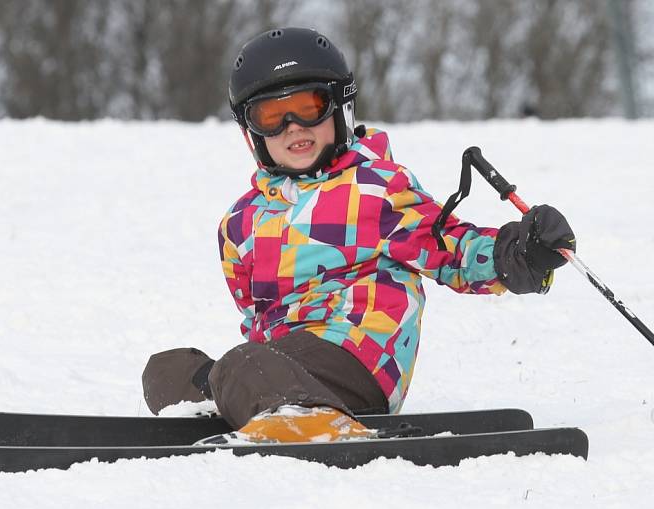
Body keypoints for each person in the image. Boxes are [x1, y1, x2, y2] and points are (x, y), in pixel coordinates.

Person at [141, 27, 575, 444]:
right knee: (167, 369)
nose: (293, 126)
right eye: (272, 116)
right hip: (280, 362)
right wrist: (245, 375)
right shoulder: (240, 222)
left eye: (309, 106)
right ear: (252, 132)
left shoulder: (376, 188)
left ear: (339, 108)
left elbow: (451, 249)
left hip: (358, 360)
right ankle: (262, 407)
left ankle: (297, 416)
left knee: (244, 363)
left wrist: (522, 254)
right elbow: (256, 315)